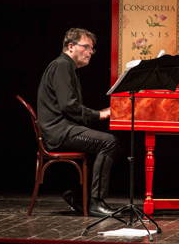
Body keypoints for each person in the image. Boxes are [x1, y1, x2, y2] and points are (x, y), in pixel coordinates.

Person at [37, 28, 121, 217]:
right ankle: (95, 202)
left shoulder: (65, 67)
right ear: (71, 46)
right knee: (109, 142)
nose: (91, 52)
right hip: (59, 131)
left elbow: (70, 106)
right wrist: (98, 115)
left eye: (92, 48)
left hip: (62, 129)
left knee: (100, 140)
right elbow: (69, 106)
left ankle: (76, 196)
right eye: (87, 47)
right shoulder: (62, 65)